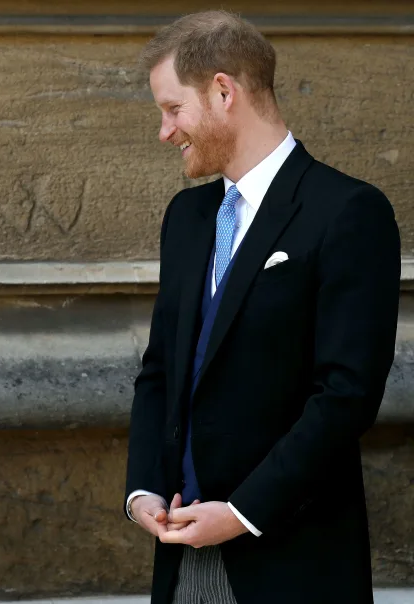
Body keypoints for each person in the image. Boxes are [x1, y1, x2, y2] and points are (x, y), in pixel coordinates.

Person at [124, 11, 399, 604]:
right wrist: (142, 490)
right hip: (181, 562)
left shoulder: (348, 211)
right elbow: (161, 370)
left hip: (292, 562)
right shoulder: (187, 219)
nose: (165, 131)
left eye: (173, 109)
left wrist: (243, 512)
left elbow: (346, 396)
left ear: (224, 91)